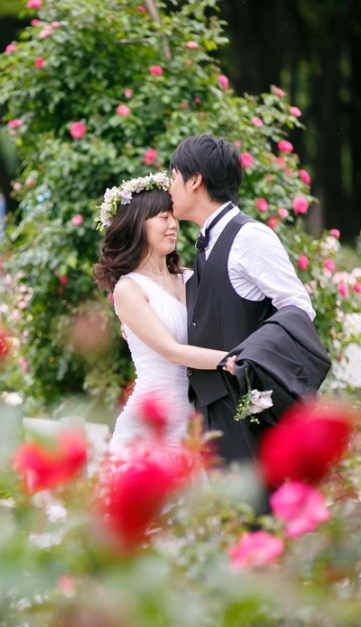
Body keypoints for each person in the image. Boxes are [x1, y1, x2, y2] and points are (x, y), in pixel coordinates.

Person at [168, 134, 316, 468]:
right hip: (213, 410)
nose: (169, 188)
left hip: (247, 411)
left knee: (257, 513)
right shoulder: (206, 242)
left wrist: (248, 363)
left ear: (194, 181)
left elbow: (297, 308)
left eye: (173, 177)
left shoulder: (249, 237)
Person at [93, 172, 229, 455]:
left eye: (173, 217)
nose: (173, 225)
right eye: (162, 218)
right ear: (136, 224)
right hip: (149, 425)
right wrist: (234, 362)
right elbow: (171, 350)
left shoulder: (191, 278)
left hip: (195, 421)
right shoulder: (129, 289)